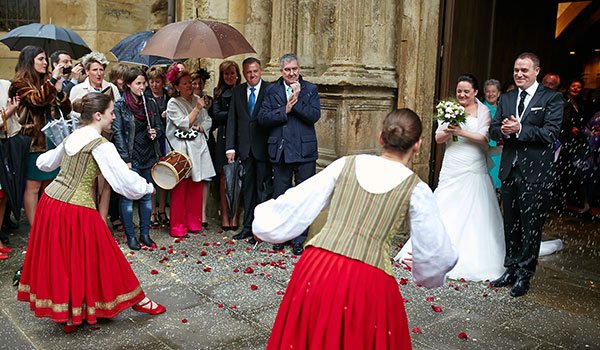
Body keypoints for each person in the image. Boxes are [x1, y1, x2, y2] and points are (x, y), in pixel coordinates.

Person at [253, 108, 458, 349]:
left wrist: (264, 225)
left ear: (381, 137)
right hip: (368, 282)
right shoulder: (417, 190)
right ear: (418, 145)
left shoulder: (346, 164)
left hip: (316, 269)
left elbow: (297, 201)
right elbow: (438, 255)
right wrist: (426, 272)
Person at [17, 92, 166, 333]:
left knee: (67, 260)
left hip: (51, 202)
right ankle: (137, 300)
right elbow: (123, 183)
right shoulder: (100, 145)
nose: (113, 117)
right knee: (105, 254)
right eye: (111, 113)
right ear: (98, 115)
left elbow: (44, 164)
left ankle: (70, 315)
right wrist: (148, 187)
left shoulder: (74, 136)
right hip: (75, 209)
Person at [398, 74, 505, 282]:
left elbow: (484, 138)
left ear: (475, 92)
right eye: (459, 91)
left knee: (476, 209)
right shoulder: (450, 108)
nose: (462, 95)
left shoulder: (483, 111)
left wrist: (461, 131)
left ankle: (472, 255)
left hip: (473, 163)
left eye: (466, 91)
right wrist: (448, 132)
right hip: (452, 163)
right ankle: (432, 250)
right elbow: (438, 138)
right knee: (444, 204)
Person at [490, 52, 563, 297]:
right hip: (510, 169)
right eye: (516, 70)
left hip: (536, 173)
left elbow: (550, 134)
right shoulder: (507, 97)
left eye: (524, 70)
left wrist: (521, 128)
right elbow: (493, 128)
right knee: (510, 222)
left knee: (531, 225)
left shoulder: (552, 98)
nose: (519, 74)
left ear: (536, 72)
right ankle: (510, 267)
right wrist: (503, 130)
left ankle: (524, 274)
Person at [257, 53, 320, 255]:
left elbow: (313, 116)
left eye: (294, 69)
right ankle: (281, 236)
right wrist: (285, 109)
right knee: (281, 197)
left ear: (299, 69)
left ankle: (299, 239)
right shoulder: (272, 90)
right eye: (287, 70)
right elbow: (263, 118)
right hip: (281, 151)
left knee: (303, 198)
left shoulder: (310, 89)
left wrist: (297, 101)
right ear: (281, 71)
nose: (291, 73)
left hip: (304, 152)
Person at [10, 45, 72, 227]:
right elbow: (37, 100)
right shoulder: (19, 84)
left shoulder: (48, 81)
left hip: (51, 139)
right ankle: (36, 228)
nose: (45, 63)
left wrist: (60, 92)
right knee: (34, 185)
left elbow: (66, 109)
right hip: (33, 141)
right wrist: (52, 81)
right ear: (30, 61)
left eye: (45, 59)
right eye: (41, 59)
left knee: (49, 184)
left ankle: (48, 224)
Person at [113, 67, 163, 250]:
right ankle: (130, 236)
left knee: (146, 195)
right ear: (128, 85)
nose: (143, 87)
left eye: (144, 83)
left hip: (148, 155)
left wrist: (155, 132)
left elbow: (159, 127)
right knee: (127, 197)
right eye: (138, 83)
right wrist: (125, 158)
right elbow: (118, 133)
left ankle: (145, 233)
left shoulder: (150, 103)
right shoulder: (121, 105)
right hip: (131, 156)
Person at [165, 65, 215, 237]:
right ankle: (177, 226)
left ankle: (193, 223)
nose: (189, 86)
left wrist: (201, 125)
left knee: (196, 185)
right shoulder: (173, 103)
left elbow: (207, 121)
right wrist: (197, 109)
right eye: (185, 83)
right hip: (183, 150)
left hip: (198, 147)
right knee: (181, 188)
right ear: (177, 86)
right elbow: (184, 123)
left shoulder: (196, 99)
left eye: (190, 83)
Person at [226, 57, 272, 242]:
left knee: (264, 190)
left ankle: (261, 230)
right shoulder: (237, 92)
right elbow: (232, 121)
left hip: (264, 149)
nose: (252, 75)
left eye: (255, 71)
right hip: (245, 149)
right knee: (248, 189)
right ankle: (247, 227)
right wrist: (230, 147)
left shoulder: (270, 90)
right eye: (248, 72)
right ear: (243, 74)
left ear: (260, 71)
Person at [209, 61, 241, 231]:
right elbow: (216, 114)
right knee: (223, 177)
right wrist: (232, 113)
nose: (229, 76)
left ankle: (234, 214)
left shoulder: (242, 91)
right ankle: (225, 215)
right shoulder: (218, 93)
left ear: (237, 74)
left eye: (232, 73)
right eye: (226, 74)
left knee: (237, 177)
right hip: (223, 137)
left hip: (239, 138)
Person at [557, 79, 591, 213]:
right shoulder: (563, 102)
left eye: (578, 87)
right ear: (568, 87)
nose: (575, 89)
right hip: (565, 141)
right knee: (563, 169)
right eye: (573, 86)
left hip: (577, 142)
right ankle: (560, 200)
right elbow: (561, 119)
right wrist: (570, 127)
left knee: (575, 169)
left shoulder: (581, 104)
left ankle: (570, 200)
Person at [146, 66, 170, 227]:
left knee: (165, 174)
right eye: (152, 81)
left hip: (165, 139)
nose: (154, 85)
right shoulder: (146, 97)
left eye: (157, 81)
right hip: (151, 140)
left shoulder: (168, 97)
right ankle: (152, 211)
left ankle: (162, 209)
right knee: (152, 175)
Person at [0, 79, 22, 260]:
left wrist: (13, 111)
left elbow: (15, 121)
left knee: (3, 195)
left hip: (5, 144)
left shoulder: (5, 85)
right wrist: (7, 113)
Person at [191, 68, 213, 227]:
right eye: (194, 83)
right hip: (191, 142)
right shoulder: (188, 100)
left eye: (200, 83)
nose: (197, 85)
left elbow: (209, 120)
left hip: (204, 139)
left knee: (205, 177)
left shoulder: (207, 99)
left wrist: (202, 127)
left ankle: (203, 211)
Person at [483, 78, 503, 190]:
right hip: (487, 148)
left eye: (493, 91)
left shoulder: (503, 108)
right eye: (487, 91)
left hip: (500, 150)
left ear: (498, 93)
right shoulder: (482, 108)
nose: (490, 94)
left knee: (498, 183)